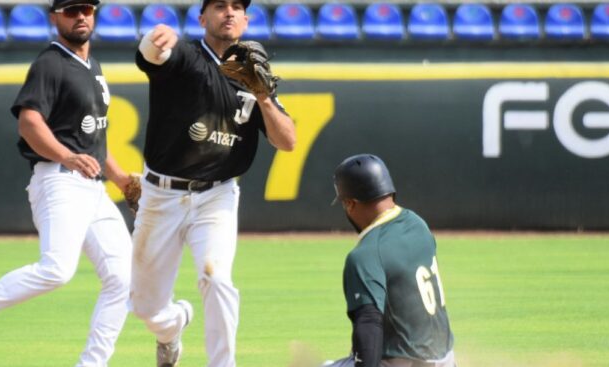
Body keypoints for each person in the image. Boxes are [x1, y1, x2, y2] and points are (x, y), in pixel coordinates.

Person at [0, 1, 135, 365]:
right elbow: (29, 122)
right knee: (57, 269)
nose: (81, 17)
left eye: (87, 9)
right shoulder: (50, 63)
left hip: (92, 187)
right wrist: (65, 155)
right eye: (72, 11)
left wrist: (120, 177)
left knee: (123, 278)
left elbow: (93, 140)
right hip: (59, 181)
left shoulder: (93, 66)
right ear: (55, 17)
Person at [131, 0, 296, 366]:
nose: (230, 12)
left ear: (247, 19)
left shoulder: (251, 72)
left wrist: (264, 95)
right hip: (162, 194)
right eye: (220, 6)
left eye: (238, 6)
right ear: (203, 18)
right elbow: (152, 58)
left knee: (217, 278)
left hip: (217, 195)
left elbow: (288, 141)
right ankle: (172, 327)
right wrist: (154, 41)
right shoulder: (187, 57)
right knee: (144, 307)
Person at [324, 154, 456, 367]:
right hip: (446, 360)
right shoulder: (418, 225)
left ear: (350, 204)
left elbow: (368, 327)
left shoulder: (365, 254)